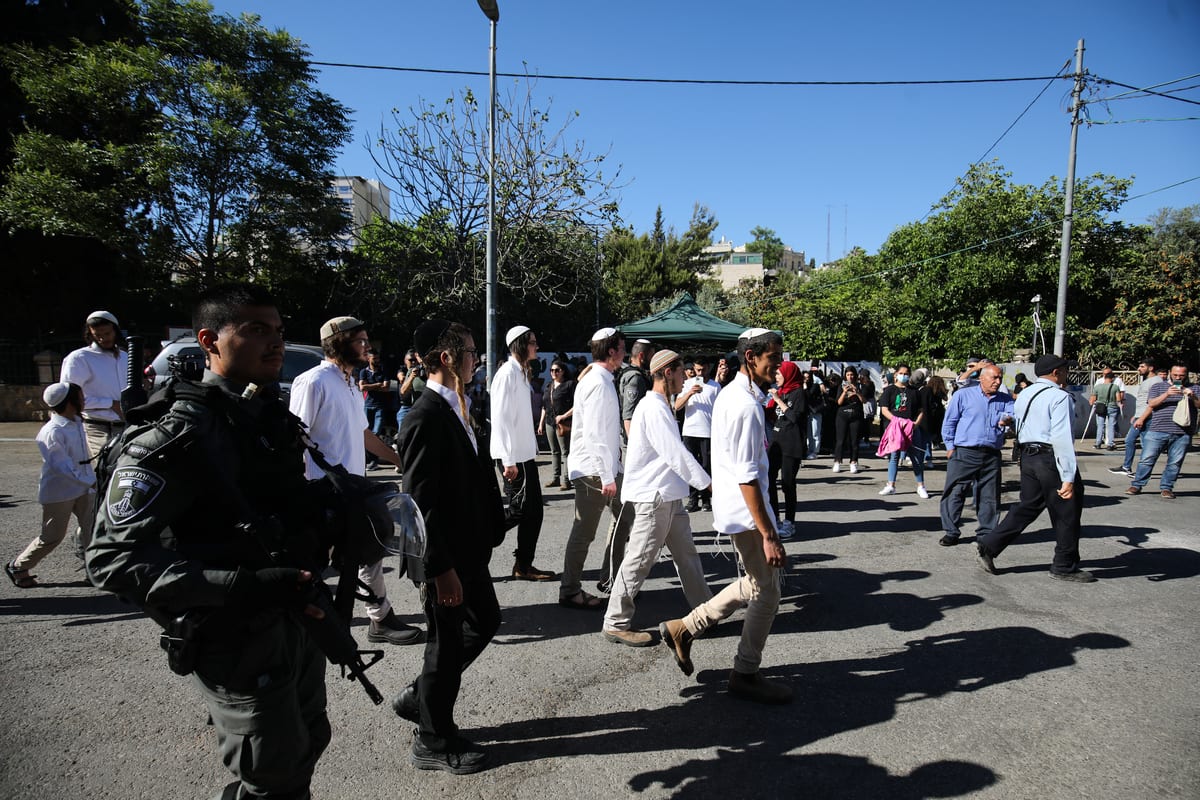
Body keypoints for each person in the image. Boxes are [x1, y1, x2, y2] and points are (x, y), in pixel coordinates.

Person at [86, 284, 333, 798]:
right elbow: (112, 558)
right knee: (272, 770)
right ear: (208, 341)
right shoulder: (178, 434)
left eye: (279, 332)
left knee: (306, 742)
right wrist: (242, 585)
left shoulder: (266, 419)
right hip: (233, 634)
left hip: (291, 620)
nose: (276, 344)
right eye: (256, 330)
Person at [391, 319, 505, 775]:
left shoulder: (459, 404)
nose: (477, 358)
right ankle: (434, 739)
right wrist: (439, 568)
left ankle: (422, 697)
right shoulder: (425, 416)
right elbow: (418, 502)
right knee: (444, 642)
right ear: (446, 358)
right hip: (446, 557)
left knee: (485, 621)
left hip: (468, 549)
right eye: (472, 352)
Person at [659, 328, 792, 705]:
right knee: (768, 593)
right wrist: (769, 533)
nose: (778, 367)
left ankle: (685, 627)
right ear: (751, 357)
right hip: (748, 514)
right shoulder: (745, 405)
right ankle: (745, 672)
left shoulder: (736, 395)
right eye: (773, 359)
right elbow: (748, 476)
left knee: (756, 584)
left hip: (739, 510)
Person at [290, 316, 420, 646]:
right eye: (359, 340)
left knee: (370, 552)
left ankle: (379, 619)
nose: (367, 346)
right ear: (338, 343)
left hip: (353, 489)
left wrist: (399, 460)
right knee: (319, 562)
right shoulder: (313, 381)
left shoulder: (350, 382)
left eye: (366, 340)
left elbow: (363, 434)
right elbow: (296, 436)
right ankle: (304, 625)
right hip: (321, 491)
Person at [602, 350, 712, 647]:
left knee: (687, 556)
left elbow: (673, 456)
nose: (685, 377)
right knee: (638, 561)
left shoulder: (659, 405)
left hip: (667, 495)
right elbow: (675, 455)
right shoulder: (653, 408)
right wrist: (708, 484)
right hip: (655, 497)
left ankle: (707, 611)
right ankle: (615, 622)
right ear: (667, 372)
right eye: (681, 372)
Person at [975, 354, 1094, 583]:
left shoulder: (1025, 394)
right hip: (1050, 458)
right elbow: (1061, 438)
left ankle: (989, 545)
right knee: (1067, 512)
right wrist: (1068, 475)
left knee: (1027, 506)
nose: (1066, 374)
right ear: (1056, 372)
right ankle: (1064, 565)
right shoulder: (1059, 397)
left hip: (1029, 457)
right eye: (1064, 370)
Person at [560, 327, 632, 611]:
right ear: (612, 351)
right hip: (595, 470)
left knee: (626, 517)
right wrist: (607, 475)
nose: (625, 353)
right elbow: (595, 434)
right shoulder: (599, 383)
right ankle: (570, 590)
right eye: (622, 348)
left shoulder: (597, 378)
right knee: (584, 532)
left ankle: (611, 577)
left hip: (601, 468)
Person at [6, 382, 95, 587]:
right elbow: (62, 467)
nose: (84, 400)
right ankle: (18, 566)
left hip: (84, 488)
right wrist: (90, 480)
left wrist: (92, 480)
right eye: (80, 397)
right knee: (52, 537)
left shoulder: (76, 422)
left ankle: (94, 571)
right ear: (70, 402)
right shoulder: (52, 431)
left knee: (92, 531)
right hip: (60, 492)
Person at [490, 325, 554, 581]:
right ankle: (479, 537)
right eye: (533, 342)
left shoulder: (521, 373)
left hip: (525, 455)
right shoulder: (506, 374)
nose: (536, 346)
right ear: (520, 344)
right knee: (519, 510)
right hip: (513, 457)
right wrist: (508, 459)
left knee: (534, 512)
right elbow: (501, 418)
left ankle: (523, 565)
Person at [938, 364, 1015, 546]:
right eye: (993, 378)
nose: (997, 382)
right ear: (981, 378)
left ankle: (986, 532)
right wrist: (950, 446)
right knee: (956, 491)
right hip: (964, 451)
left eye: (999, 378)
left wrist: (1009, 420)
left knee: (989, 494)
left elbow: (1013, 416)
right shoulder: (963, 396)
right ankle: (951, 531)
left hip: (991, 453)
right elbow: (949, 422)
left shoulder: (1005, 399)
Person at [60, 310, 129, 459]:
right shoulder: (79, 358)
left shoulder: (125, 357)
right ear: (90, 334)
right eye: (98, 335)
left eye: (107, 333)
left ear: (116, 331)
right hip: (97, 427)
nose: (103, 339)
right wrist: (110, 404)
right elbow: (69, 397)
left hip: (125, 426)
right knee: (104, 469)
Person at [1125, 362, 1199, 501]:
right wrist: (1167, 394)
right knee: (1146, 459)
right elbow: (1151, 403)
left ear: (1186, 375)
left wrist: (1192, 396)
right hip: (1158, 430)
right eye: (1175, 374)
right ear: (1170, 373)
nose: (1178, 377)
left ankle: (1167, 488)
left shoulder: (1194, 388)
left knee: (1175, 462)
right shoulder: (1158, 386)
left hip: (1182, 433)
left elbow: (1199, 405)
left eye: (1182, 375)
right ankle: (1137, 485)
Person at [766, 360, 805, 540]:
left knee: (788, 483)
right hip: (776, 442)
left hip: (791, 443)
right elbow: (773, 416)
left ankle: (790, 522)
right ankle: (775, 518)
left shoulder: (798, 393)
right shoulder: (781, 391)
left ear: (788, 375)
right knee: (769, 479)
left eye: (779, 374)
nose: (776, 377)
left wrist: (778, 400)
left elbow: (794, 417)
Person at [877, 364, 930, 498]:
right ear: (896, 374)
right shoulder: (889, 390)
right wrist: (896, 421)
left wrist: (916, 424)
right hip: (895, 428)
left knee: (916, 457)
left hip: (911, 428)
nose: (904, 376)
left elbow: (921, 410)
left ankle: (921, 486)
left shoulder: (914, 391)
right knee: (894, 457)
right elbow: (884, 409)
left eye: (907, 373)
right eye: (901, 373)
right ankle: (891, 485)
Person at [676, 357, 720, 513]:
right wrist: (689, 393)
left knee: (707, 466)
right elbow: (676, 406)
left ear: (708, 367)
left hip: (708, 431)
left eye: (703, 369)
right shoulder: (687, 384)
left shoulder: (715, 386)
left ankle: (706, 499)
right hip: (690, 431)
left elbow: (719, 410)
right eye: (697, 370)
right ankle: (693, 499)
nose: (700, 373)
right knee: (691, 466)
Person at [1111, 358, 1162, 477]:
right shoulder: (1148, 381)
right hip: (1141, 416)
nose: (1139, 369)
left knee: (1141, 444)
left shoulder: (1155, 381)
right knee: (1134, 442)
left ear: (1151, 368)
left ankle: (1140, 471)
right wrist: (1136, 415)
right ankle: (1128, 467)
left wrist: (1142, 418)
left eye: (1142, 366)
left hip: (1147, 417)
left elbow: (1152, 403)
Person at [538, 358, 575, 491]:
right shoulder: (549, 386)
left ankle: (566, 480)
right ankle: (555, 478)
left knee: (565, 452)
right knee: (554, 451)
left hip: (563, 423)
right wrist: (541, 424)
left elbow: (577, 405)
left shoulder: (570, 385)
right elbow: (544, 406)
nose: (554, 373)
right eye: (552, 370)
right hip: (549, 422)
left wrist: (564, 416)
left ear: (563, 371)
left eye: (557, 370)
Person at [357, 350, 392, 466]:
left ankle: (373, 460)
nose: (377, 361)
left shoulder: (383, 371)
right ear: (368, 359)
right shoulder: (364, 372)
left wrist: (370, 386)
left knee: (375, 433)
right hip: (367, 405)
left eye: (378, 358)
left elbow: (386, 387)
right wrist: (377, 385)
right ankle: (369, 459)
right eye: (374, 359)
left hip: (379, 407)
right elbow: (362, 387)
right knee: (365, 433)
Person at [833, 365, 865, 473]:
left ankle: (853, 462)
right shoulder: (841, 386)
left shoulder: (860, 386)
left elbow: (864, 401)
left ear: (855, 375)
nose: (850, 377)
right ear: (845, 376)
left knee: (854, 440)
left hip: (856, 415)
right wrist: (844, 392)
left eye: (852, 375)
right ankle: (837, 461)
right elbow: (838, 402)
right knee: (840, 440)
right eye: (848, 375)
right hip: (843, 415)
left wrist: (857, 392)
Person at [1090, 368, 1125, 450]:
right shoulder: (1115, 387)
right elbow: (1118, 399)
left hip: (1100, 407)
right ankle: (1110, 444)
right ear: (1112, 378)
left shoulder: (1098, 387)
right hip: (1112, 407)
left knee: (1100, 425)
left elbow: (1092, 399)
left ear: (1104, 377)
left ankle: (1098, 443)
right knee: (1111, 425)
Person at [918, 374, 949, 465]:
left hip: (925, 418)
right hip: (934, 420)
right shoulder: (938, 393)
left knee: (924, 440)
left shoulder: (926, 390)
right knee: (927, 440)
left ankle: (926, 458)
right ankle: (928, 459)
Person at [395, 349, 426, 436]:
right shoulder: (410, 371)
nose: (413, 362)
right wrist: (412, 376)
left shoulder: (434, 370)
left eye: (415, 360)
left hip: (430, 410)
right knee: (405, 436)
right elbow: (403, 390)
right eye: (411, 360)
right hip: (413, 408)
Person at [805, 361, 829, 459]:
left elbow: (824, 391)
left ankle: (814, 451)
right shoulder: (805, 381)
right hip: (807, 410)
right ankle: (809, 449)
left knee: (815, 431)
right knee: (809, 432)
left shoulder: (817, 380)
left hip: (815, 409)